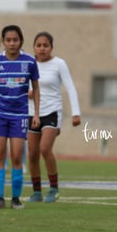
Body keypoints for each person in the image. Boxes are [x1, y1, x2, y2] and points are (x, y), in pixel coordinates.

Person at [0, 25, 40, 209]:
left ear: (20, 41)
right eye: (8, 40)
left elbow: (36, 88)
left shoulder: (30, 61)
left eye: (15, 40)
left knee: (16, 156)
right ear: (3, 41)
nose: (12, 43)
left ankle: (16, 199)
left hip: (20, 114)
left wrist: (36, 113)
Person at [27, 31, 81, 203]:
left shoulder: (59, 64)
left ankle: (54, 189)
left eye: (45, 45)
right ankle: (36, 191)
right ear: (34, 47)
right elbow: (22, 86)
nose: (42, 49)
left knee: (44, 148)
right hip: (32, 113)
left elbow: (70, 87)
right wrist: (25, 93)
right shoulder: (29, 64)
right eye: (38, 45)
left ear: (51, 47)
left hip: (52, 111)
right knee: (32, 153)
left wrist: (76, 112)